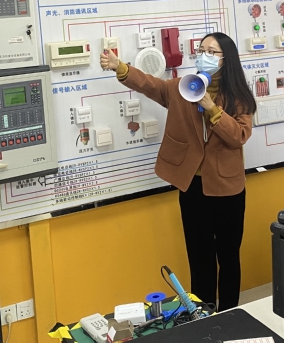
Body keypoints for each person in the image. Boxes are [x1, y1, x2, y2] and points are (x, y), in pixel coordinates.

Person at [99, 32, 256, 311]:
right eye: (201, 50)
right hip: (192, 187)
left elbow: (239, 136)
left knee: (228, 257)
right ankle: (203, 313)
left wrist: (212, 108)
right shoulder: (185, 87)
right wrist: (119, 67)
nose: (204, 56)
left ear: (226, 59)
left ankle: (230, 313)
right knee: (199, 257)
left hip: (228, 188)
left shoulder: (239, 97)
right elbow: (152, 85)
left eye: (212, 52)